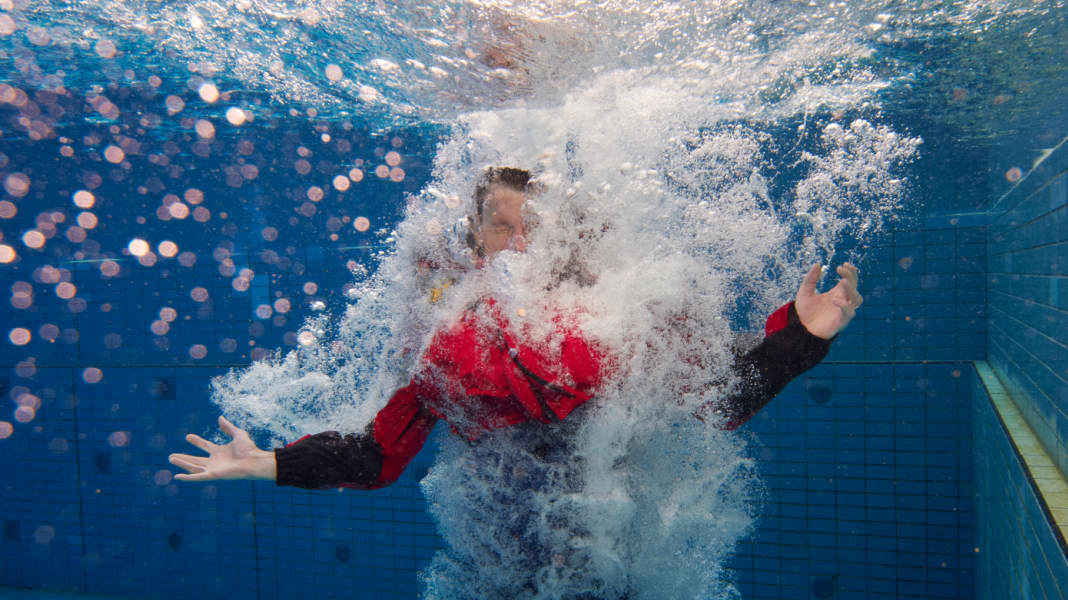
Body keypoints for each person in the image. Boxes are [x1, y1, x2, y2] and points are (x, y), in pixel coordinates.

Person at [169, 167, 861, 488]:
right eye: (503, 227)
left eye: (536, 228)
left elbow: (724, 398)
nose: (522, 244)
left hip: (609, 514)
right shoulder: (449, 340)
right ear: (476, 239)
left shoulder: (619, 319)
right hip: (504, 513)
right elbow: (379, 455)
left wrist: (801, 338)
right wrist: (268, 463)